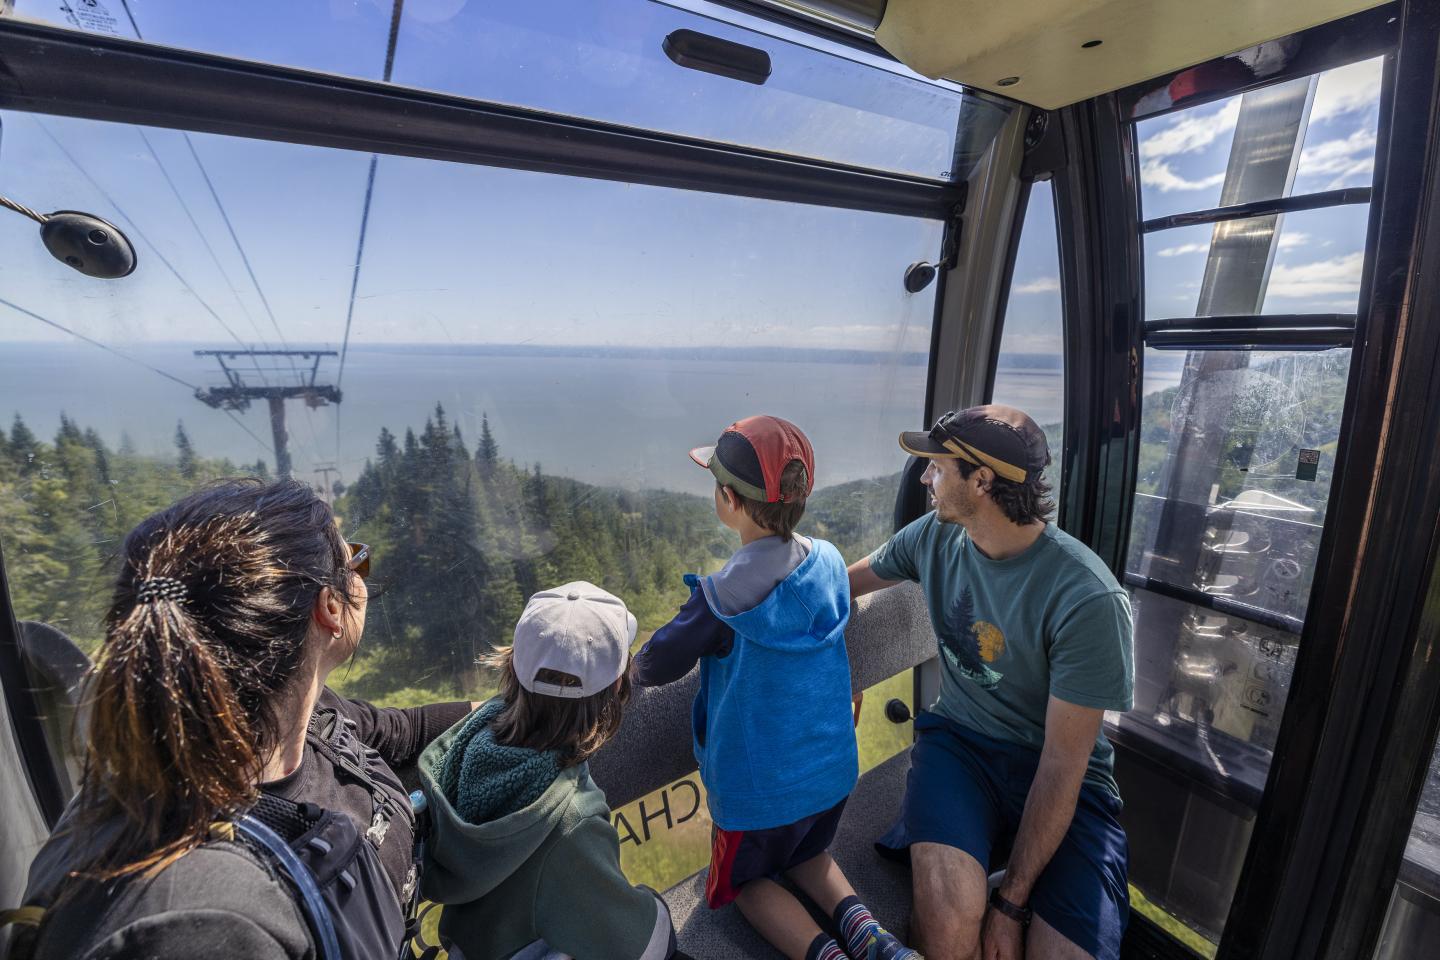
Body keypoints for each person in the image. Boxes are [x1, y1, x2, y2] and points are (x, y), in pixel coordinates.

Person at [15, 478, 476, 959]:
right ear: (331, 607)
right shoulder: (200, 926)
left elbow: (396, 731)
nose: (363, 570)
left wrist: (525, 706)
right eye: (355, 560)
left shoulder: (289, 710)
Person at [849, 405, 1134, 960]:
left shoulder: (1087, 599)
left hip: (1059, 774)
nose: (926, 479)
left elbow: (1061, 765)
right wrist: (829, 663)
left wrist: (1011, 905)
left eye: (936, 467)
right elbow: (841, 583)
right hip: (959, 747)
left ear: (981, 481)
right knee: (949, 933)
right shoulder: (932, 537)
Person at [633, 416, 917, 960]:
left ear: (729, 501)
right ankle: (875, 942)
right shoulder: (830, 562)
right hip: (831, 775)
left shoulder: (721, 597)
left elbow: (660, 662)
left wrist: (621, 673)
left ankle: (826, 954)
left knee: (746, 887)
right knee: (809, 856)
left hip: (759, 795)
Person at [418, 581, 680, 960]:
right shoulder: (572, 822)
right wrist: (655, 907)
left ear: (513, 665)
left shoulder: (468, 746)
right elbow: (632, 942)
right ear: (618, 686)